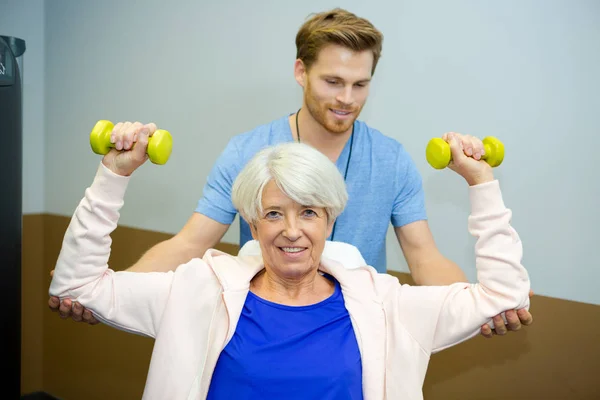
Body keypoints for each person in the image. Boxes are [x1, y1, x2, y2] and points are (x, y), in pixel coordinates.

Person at [48, 7, 533, 336]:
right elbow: (190, 244)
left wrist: (478, 310)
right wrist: (112, 292)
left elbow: (425, 258)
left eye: (361, 84)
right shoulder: (247, 151)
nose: (347, 99)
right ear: (301, 72)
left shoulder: (391, 159)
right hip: (257, 326)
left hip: (353, 334)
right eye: (333, 81)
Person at [49, 138, 531, 399]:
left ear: (329, 222)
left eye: (309, 213)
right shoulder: (194, 293)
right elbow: (79, 283)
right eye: (274, 214)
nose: (292, 230)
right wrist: (113, 175)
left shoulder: (385, 305)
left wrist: (481, 181)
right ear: (253, 225)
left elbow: (503, 296)